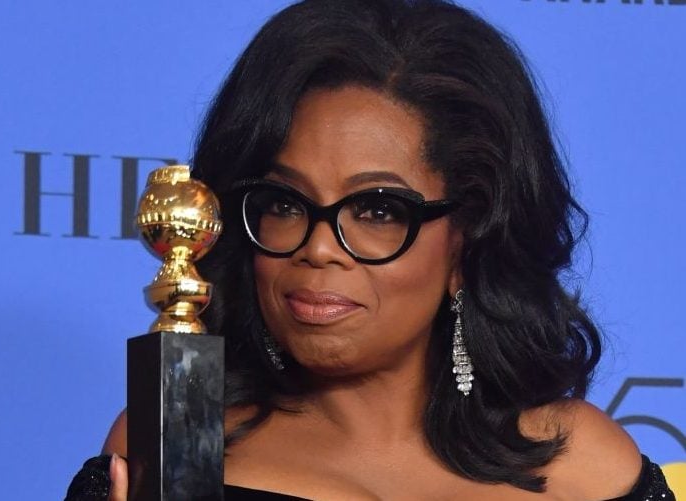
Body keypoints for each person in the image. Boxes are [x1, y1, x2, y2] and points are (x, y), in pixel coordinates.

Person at [66, 0, 675, 499]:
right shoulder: (174, 448)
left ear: (467, 237)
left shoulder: (583, 467)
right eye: (283, 204)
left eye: (378, 211)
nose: (319, 249)